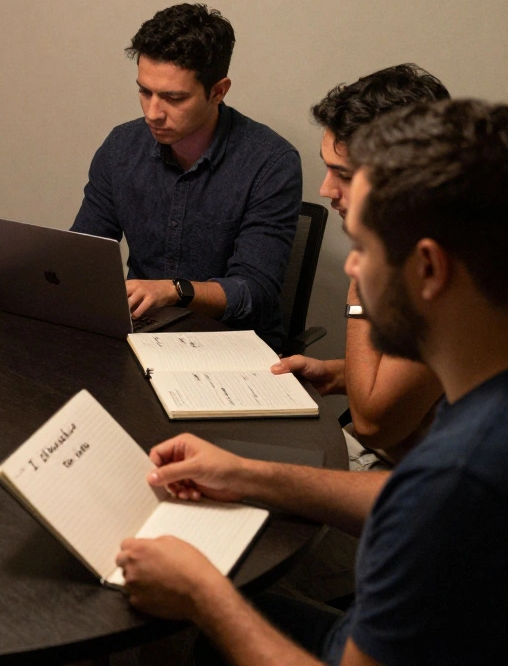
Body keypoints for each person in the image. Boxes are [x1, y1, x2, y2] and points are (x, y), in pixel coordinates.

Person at [117, 99, 508, 665]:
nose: (351, 270)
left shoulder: (460, 475)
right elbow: (406, 498)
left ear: (429, 268)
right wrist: (248, 475)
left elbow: (427, 500)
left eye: (364, 249)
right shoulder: (479, 398)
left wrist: (204, 596)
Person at [70, 4, 301, 350]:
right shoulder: (122, 147)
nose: (152, 113)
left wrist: (173, 290)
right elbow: (84, 252)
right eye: (145, 91)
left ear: (218, 91)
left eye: (173, 98)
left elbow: (255, 290)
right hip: (144, 337)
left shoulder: (270, 162)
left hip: (234, 345)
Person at [273, 64, 449, 470]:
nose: (325, 190)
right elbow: (424, 381)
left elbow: (372, 424)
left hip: (417, 482)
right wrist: (337, 374)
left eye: (344, 175)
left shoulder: (439, 267)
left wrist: (360, 290)